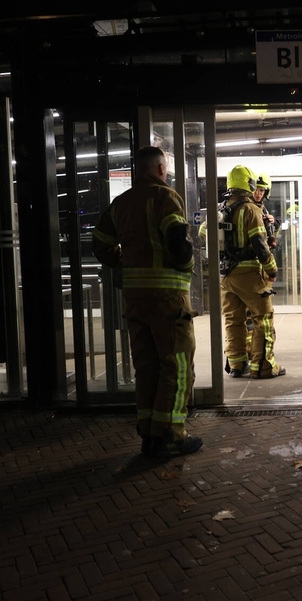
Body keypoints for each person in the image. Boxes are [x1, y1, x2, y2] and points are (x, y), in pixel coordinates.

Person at [92, 146, 203, 459]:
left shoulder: (121, 203)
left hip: (135, 299)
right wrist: (184, 269)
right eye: (164, 168)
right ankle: (171, 436)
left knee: (147, 367)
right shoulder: (165, 197)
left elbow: (99, 244)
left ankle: (149, 436)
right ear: (159, 169)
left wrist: (122, 263)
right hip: (167, 299)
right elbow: (178, 242)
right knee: (178, 366)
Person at [219, 164, 286, 379]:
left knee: (234, 319)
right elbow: (259, 242)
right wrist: (271, 268)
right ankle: (264, 367)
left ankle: (237, 364)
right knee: (263, 318)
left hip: (226, 275)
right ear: (248, 183)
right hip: (248, 273)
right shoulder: (251, 209)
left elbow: (204, 232)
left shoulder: (220, 208)